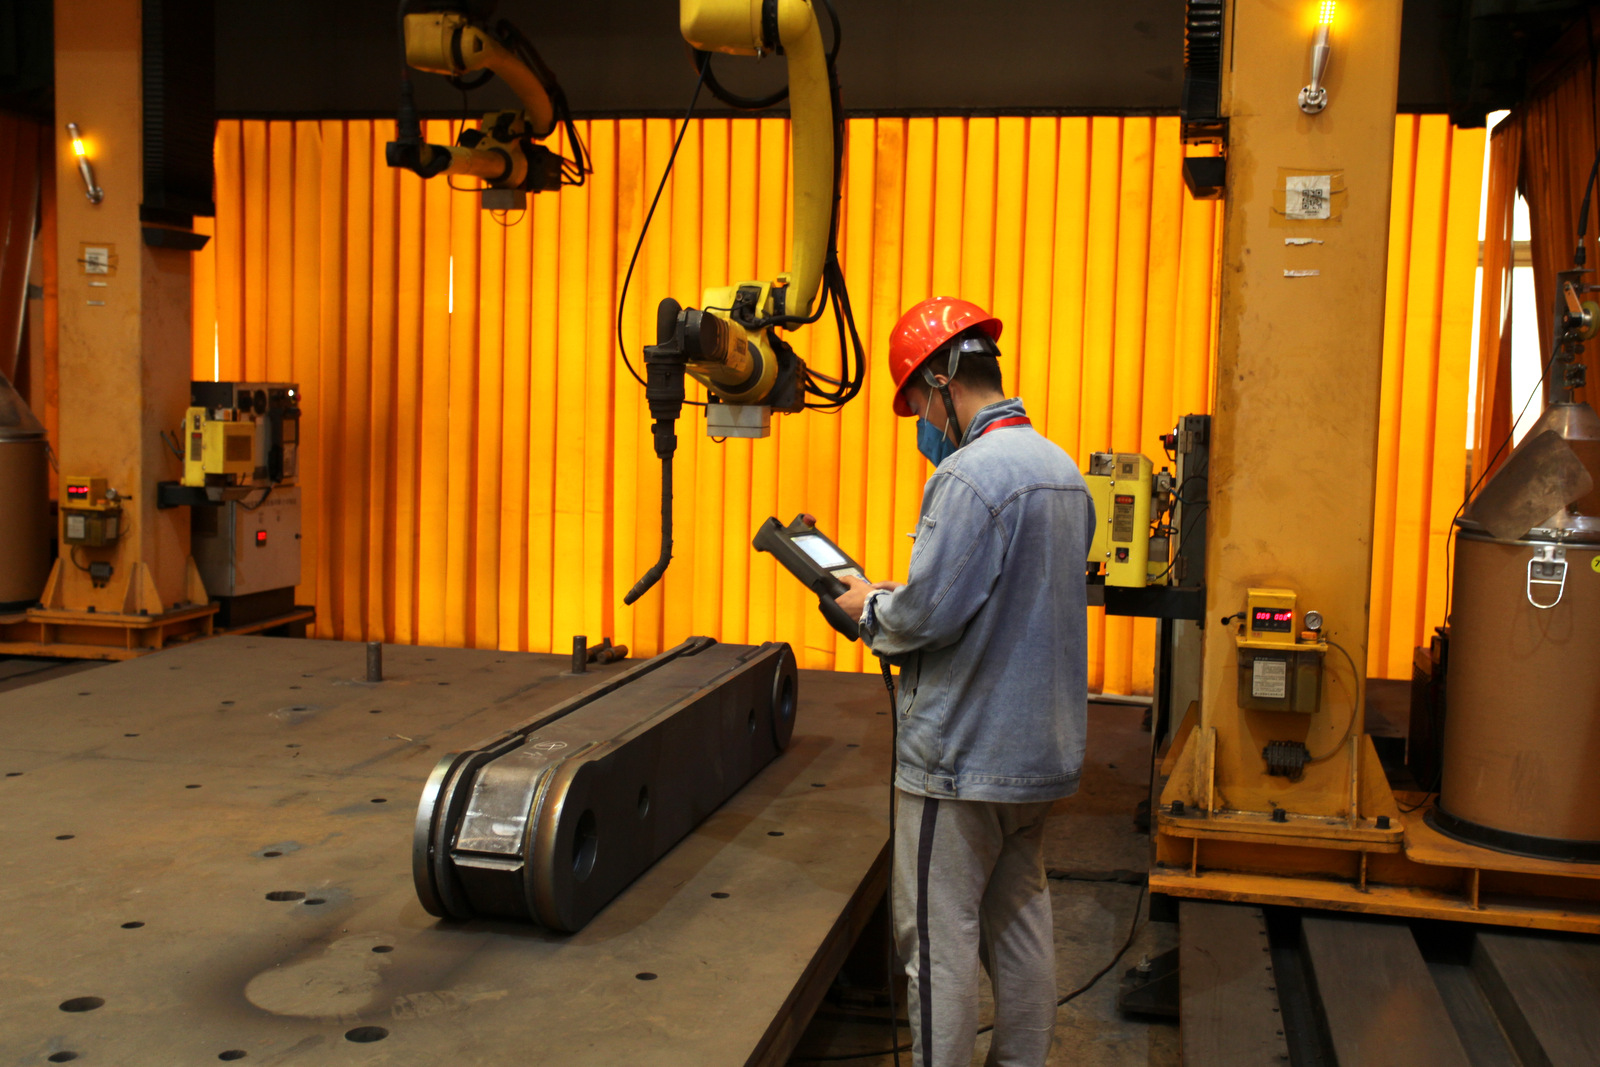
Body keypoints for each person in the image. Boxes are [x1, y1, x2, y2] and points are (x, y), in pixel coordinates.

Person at [834, 296, 1095, 1067]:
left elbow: (925, 616)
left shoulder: (970, 475)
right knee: (1019, 926)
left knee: (937, 944)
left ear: (942, 380)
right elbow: (1000, 596)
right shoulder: (1062, 470)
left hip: (961, 762)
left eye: (918, 401)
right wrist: (910, 596)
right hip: (1037, 756)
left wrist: (868, 606)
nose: (922, 420)